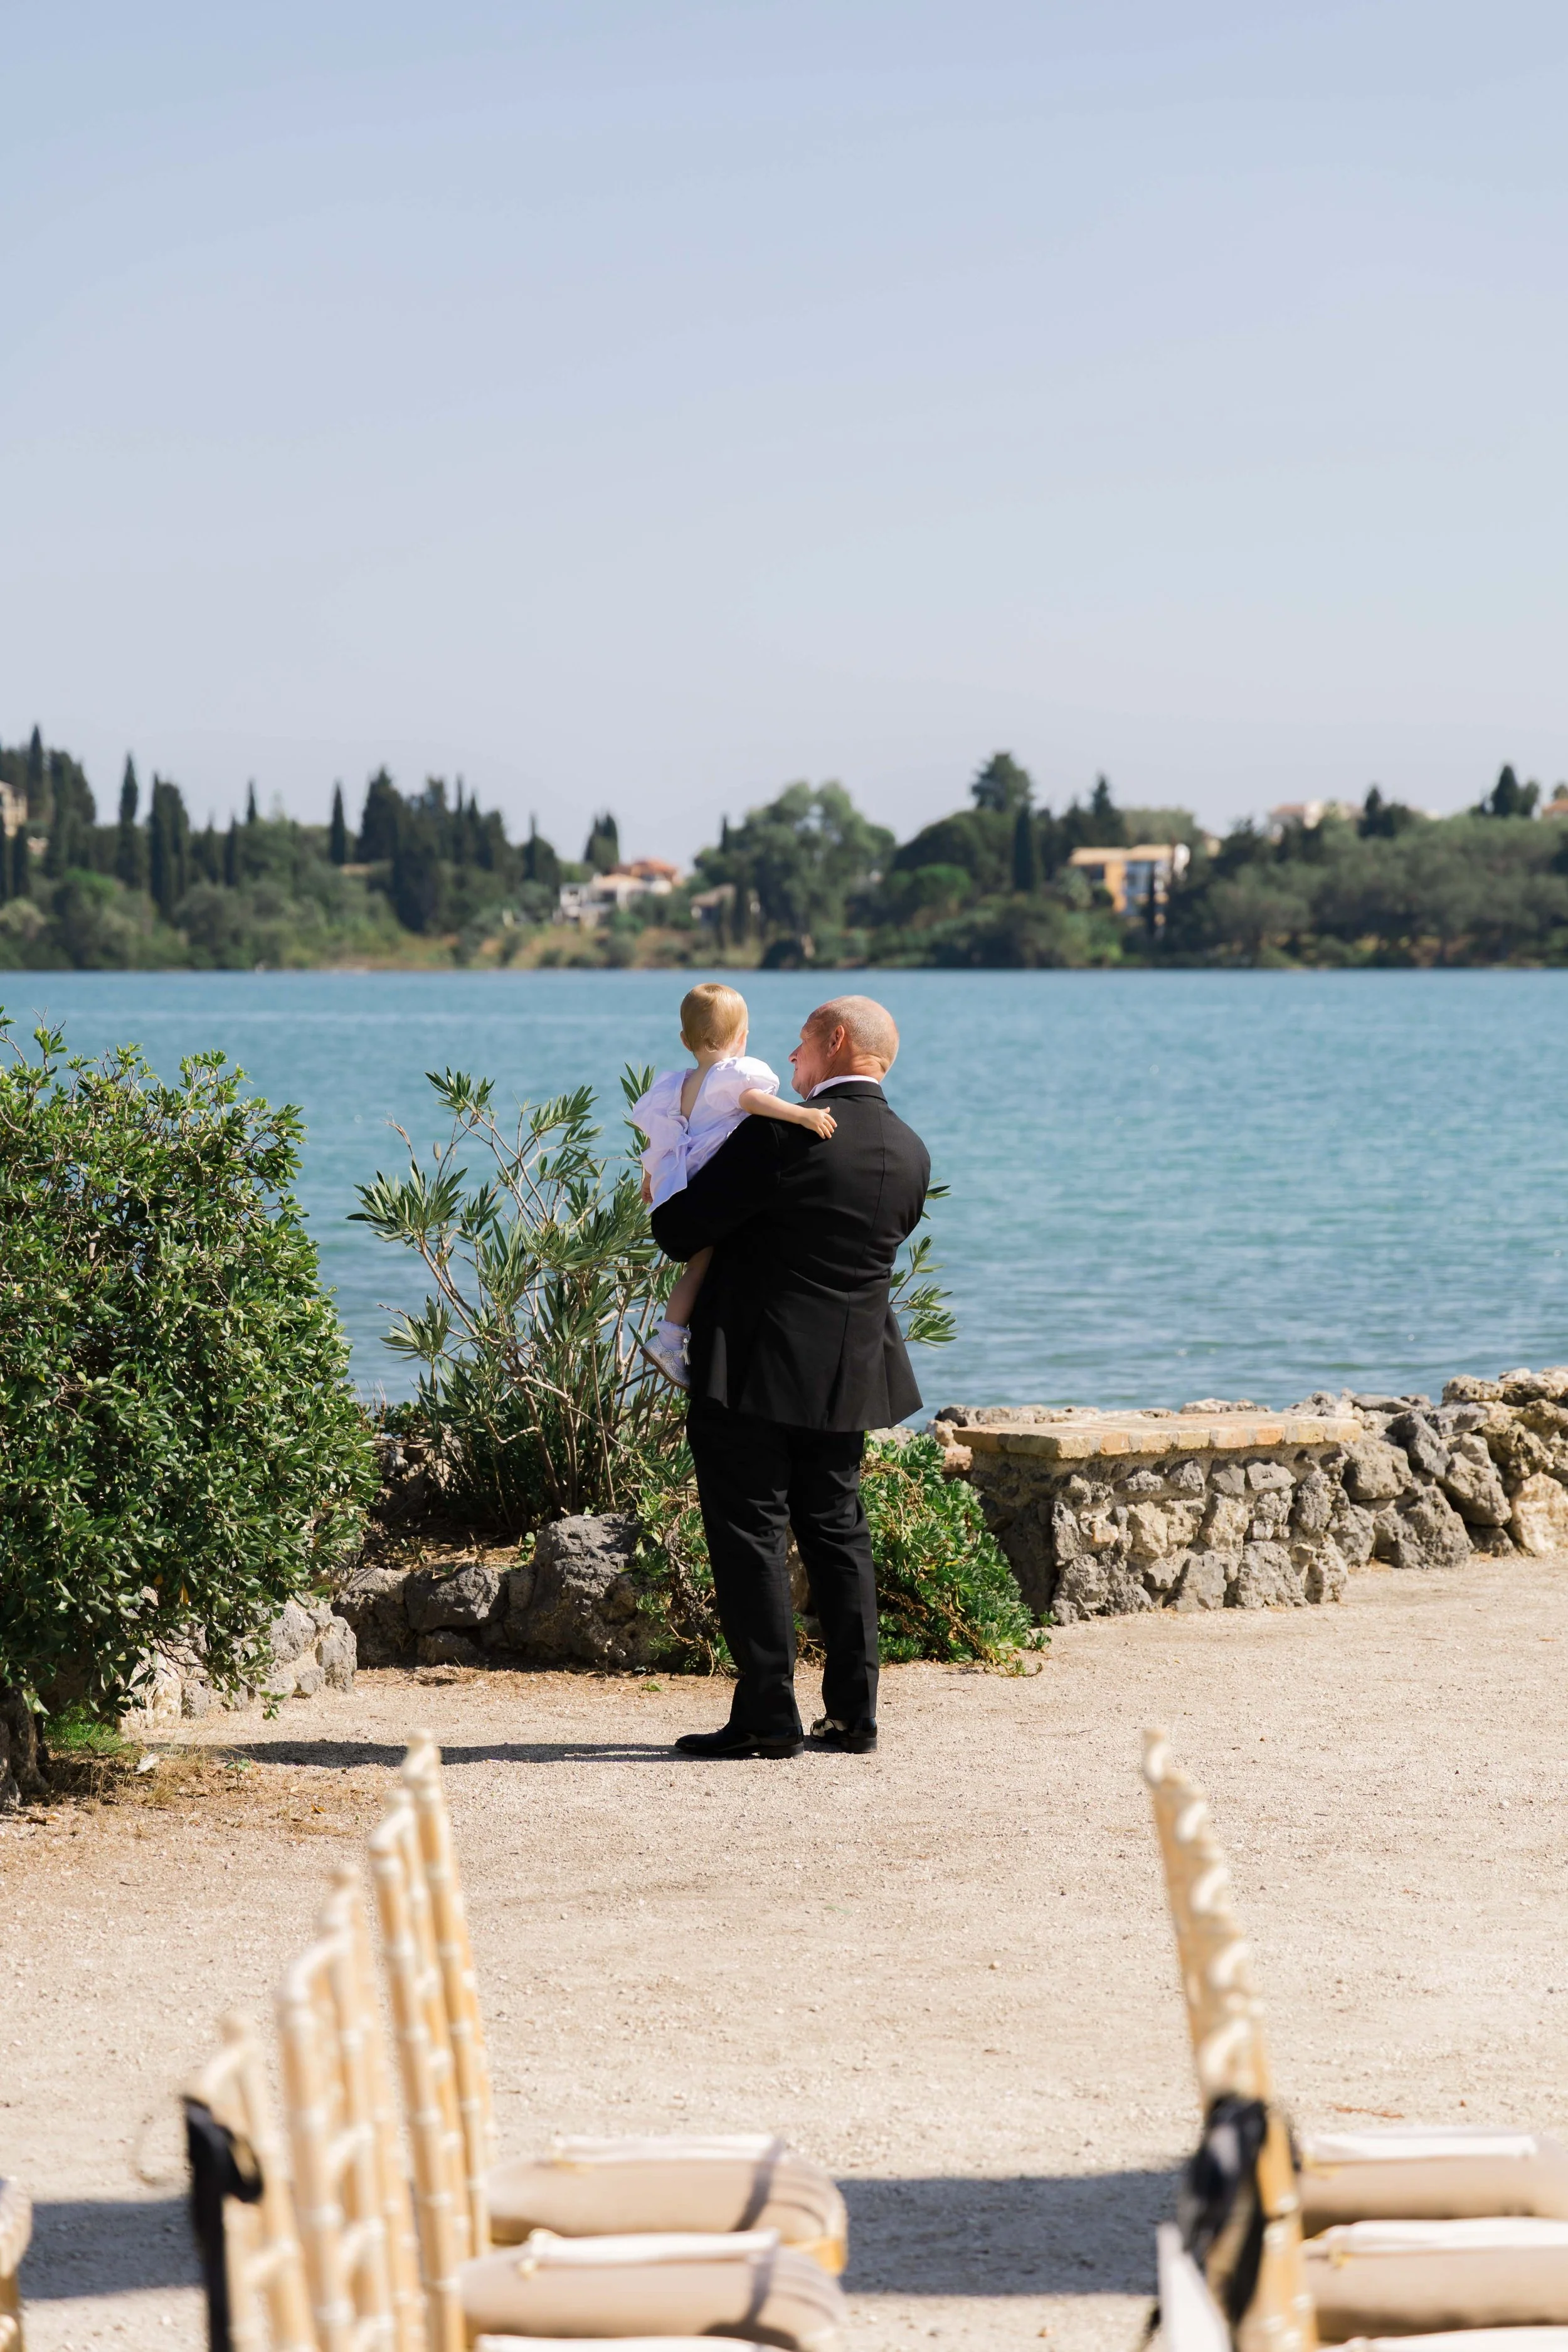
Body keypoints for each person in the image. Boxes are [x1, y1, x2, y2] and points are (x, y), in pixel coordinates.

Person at [649, 994, 930, 1760]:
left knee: (750, 1535)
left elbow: (678, 1233)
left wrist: (667, 1168)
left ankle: (769, 1715)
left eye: (803, 1045)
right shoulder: (909, 1151)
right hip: (850, 1372)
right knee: (839, 1532)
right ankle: (854, 1716)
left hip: (752, 1367)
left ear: (837, 1042)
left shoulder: (777, 1137)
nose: (793, 1059)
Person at [632, 983, 839, 1385]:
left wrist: (650, 1178)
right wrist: (802, 1117)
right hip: (708, 1190)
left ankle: (672, 1336)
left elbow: (662, 1138)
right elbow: (754, 1102)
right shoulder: (734, 1074)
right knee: (709, 1261)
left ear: (684, 1039)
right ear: (743, 1037)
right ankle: (669, 1340)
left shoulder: (676, 1086)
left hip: (678, 1189)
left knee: (699, 1264)